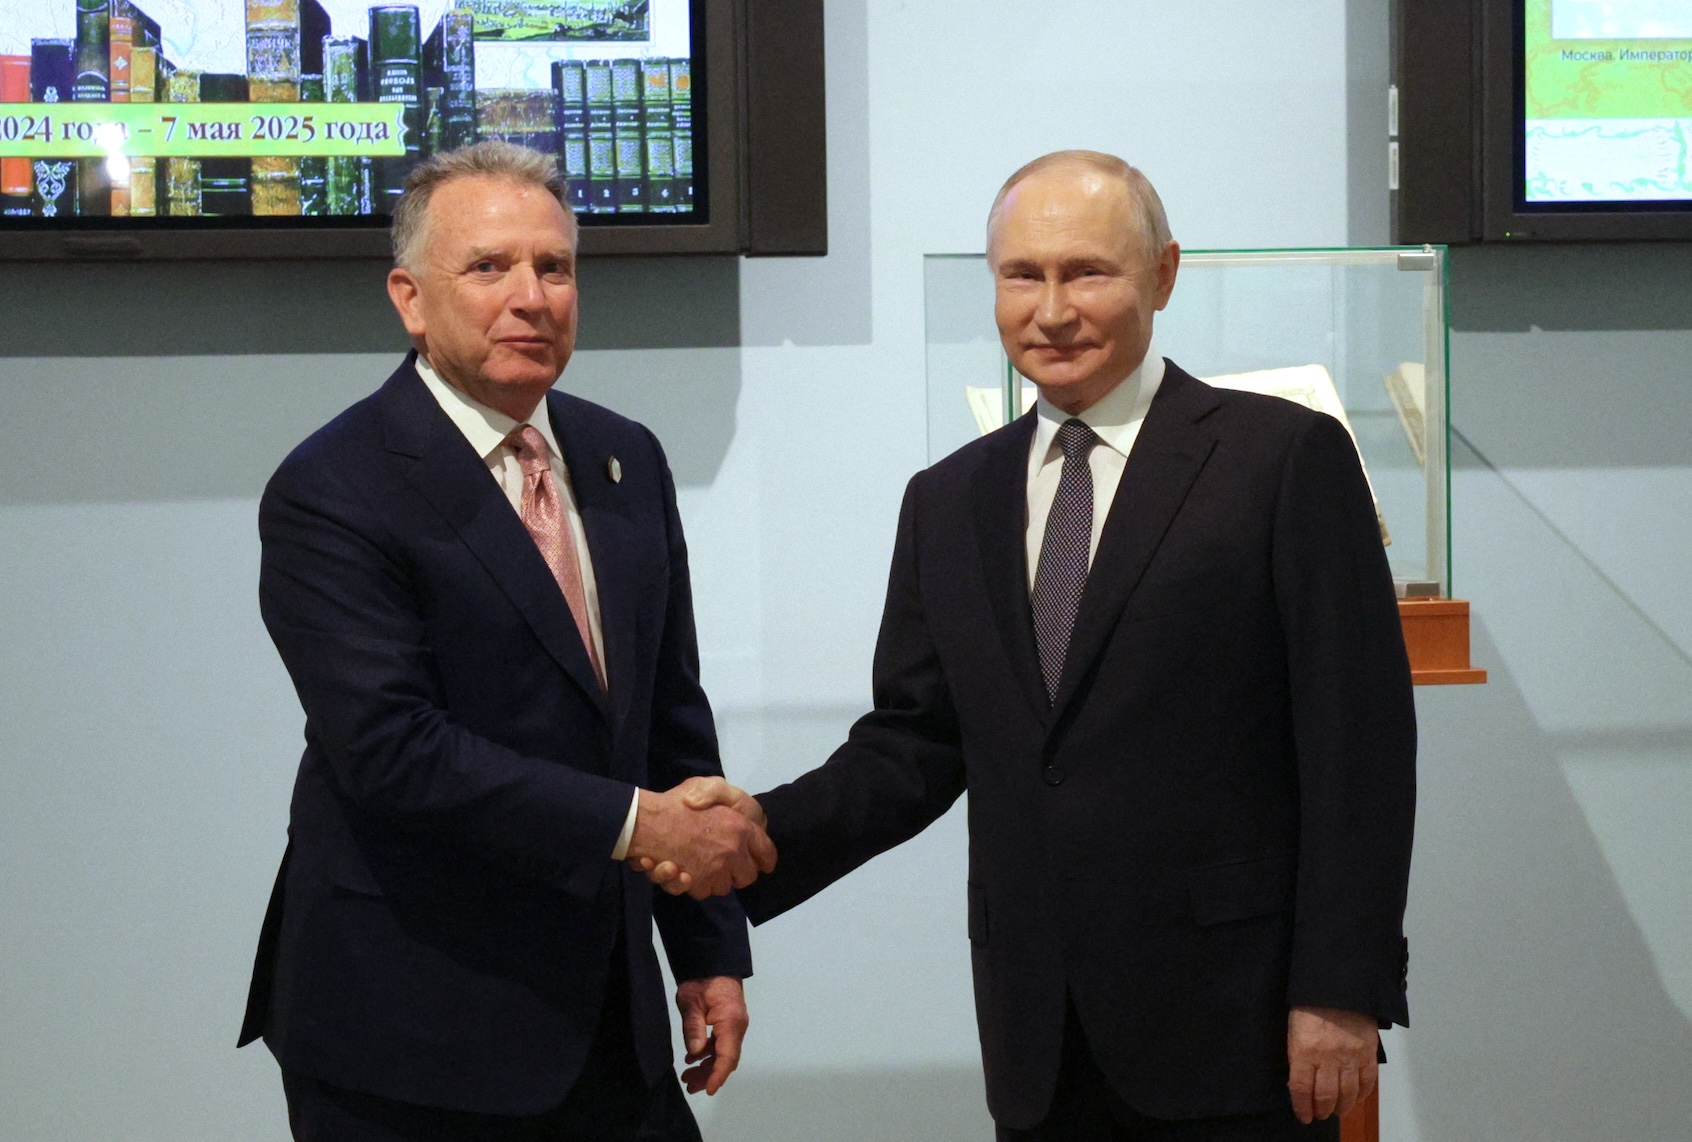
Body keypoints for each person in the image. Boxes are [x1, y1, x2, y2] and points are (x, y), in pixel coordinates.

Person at [649, 151, 1417, 1141]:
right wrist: (754, 831)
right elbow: (913, 745)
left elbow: (1360, 748)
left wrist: (1341, 988)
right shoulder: (949, 497)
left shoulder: (1283, 460)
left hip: (1244, 1027)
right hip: (1039, 1037)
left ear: (1164, 275)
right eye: (1023, 275)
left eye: (1087, 271)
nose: (1051, 309)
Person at [237, 141, 776, 1142]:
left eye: (555, 266)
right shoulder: (335, 486)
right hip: (409, 1038)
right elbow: (392, 748)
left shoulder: (627, 457)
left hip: (612, 1027)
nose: (530, 295)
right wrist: (638, 826)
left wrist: (708, 943)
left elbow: (668, 720)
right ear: (409, 297)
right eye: (489, 267)